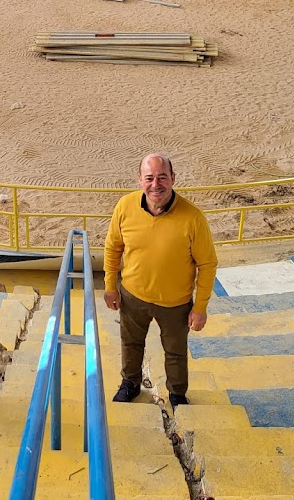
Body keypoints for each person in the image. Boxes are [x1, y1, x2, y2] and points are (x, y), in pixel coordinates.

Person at [104, 153, 217, 408]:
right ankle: (130, 384)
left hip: (175, 303)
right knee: (130, 344)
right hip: (132, 296)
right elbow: (113, 248)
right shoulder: (124, 206)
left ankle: (177, 395)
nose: (156, 185)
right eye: (150, 178)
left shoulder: (193, 218)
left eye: (162, 177)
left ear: (173, 179)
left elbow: (207, 264)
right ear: (140, 180)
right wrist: (110, 286)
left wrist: (200, 308)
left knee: (176, 353)